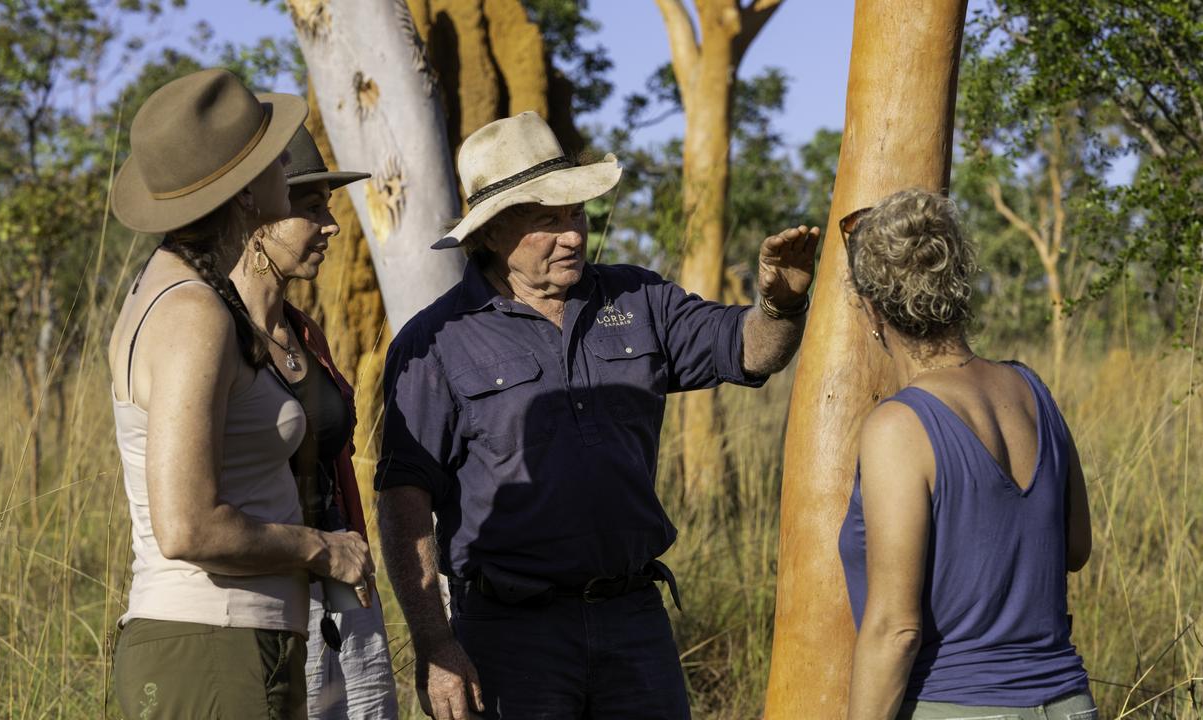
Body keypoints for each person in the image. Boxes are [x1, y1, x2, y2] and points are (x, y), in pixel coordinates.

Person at [375, 111, 820, 719]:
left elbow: (751, 348)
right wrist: (435, 642)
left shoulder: (637, 298)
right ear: (492, 231)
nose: (574, 235)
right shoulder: (437, 342)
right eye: (547, 220)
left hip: (633, 620)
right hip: (508, 634)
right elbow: (404, 508)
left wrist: (782, 301)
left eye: (577, 214)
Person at [107, 68, 373, 719]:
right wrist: (321, 547)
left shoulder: (190, 295)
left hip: (233, 643)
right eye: (275, 157)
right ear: (247, 192)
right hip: (213, 644)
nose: (289, 163)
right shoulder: (192, 312)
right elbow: (188, 526)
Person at [836, 189, 1096, 720]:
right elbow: (1074, 548)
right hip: (1070, 703)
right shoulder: (1032, 390)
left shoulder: (898, 426)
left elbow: (896, 630)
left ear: (872, 307)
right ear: (959, 284)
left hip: (955, 704)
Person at [230, 124, 400, 719]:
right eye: (309, 208)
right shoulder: (210, 332)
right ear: (259, 216)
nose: (330, 226)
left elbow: (336, 468)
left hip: (341, 588)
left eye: (328, 208)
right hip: (260, 598)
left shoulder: (306, 334)